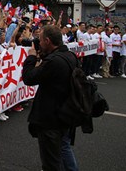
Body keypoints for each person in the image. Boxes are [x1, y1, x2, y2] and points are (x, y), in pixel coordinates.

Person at [22, 25, 78, 171]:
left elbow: (29, 78)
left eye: (40, 40)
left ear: (47, 40)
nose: (38, 43)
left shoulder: (53, 62)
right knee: (64, 149)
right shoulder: (70, 56)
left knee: (51, 162)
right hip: (67, 114)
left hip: (51, 119)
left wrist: (32, 56)